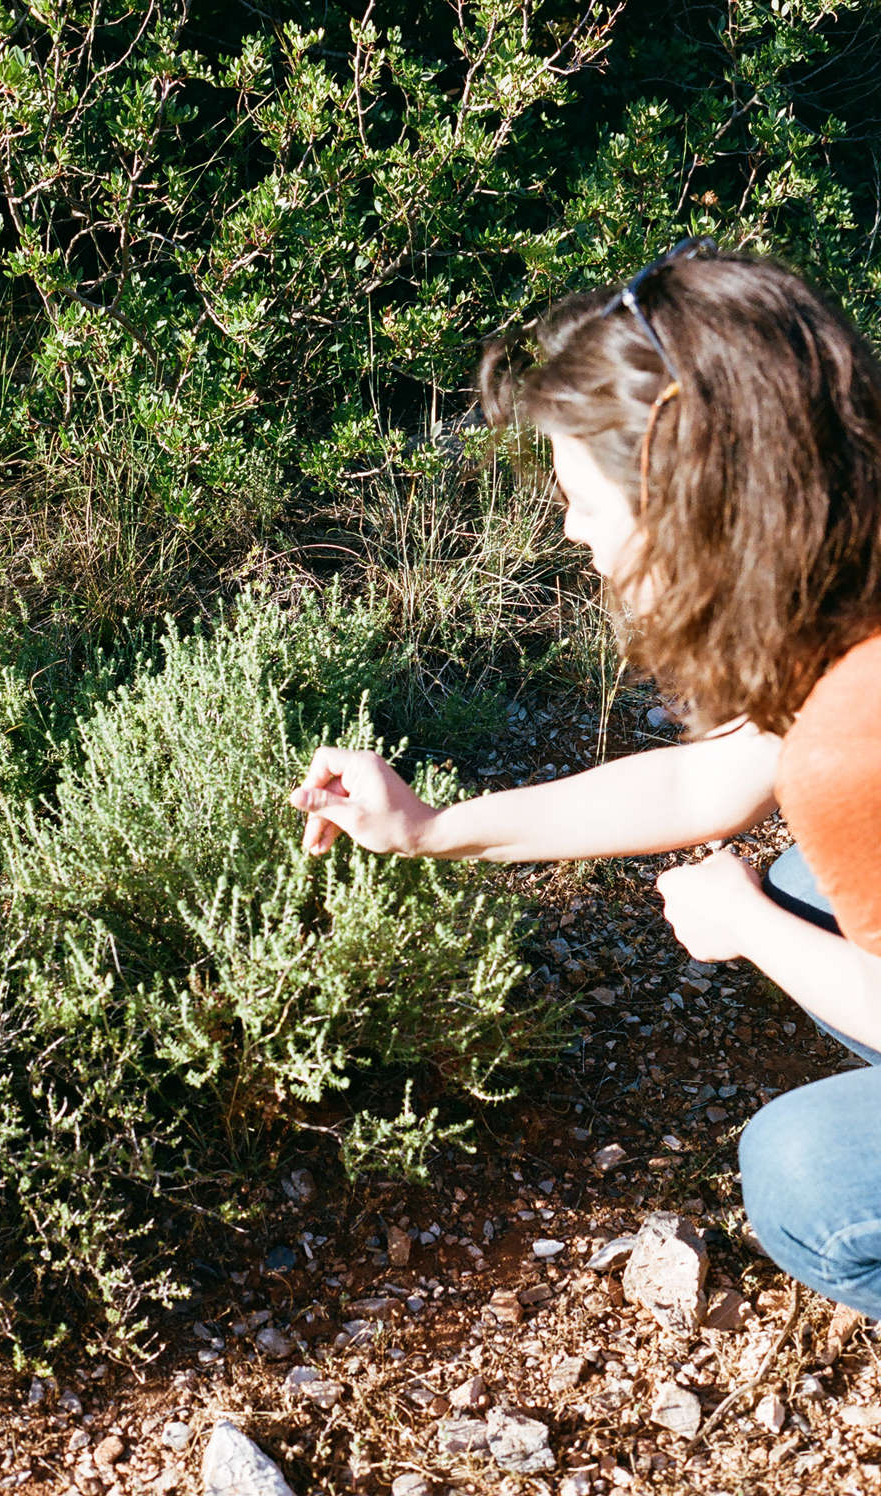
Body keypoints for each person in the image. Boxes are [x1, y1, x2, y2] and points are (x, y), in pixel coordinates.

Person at [289, 239, 881, 1320]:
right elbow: (695, 789)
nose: (570, 531)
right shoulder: (853, 573)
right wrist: (426, 827)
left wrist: (748, 925)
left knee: (801, 1172)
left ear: (683, 492)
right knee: (810, 879)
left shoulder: (856, 733)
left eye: (581, 498)